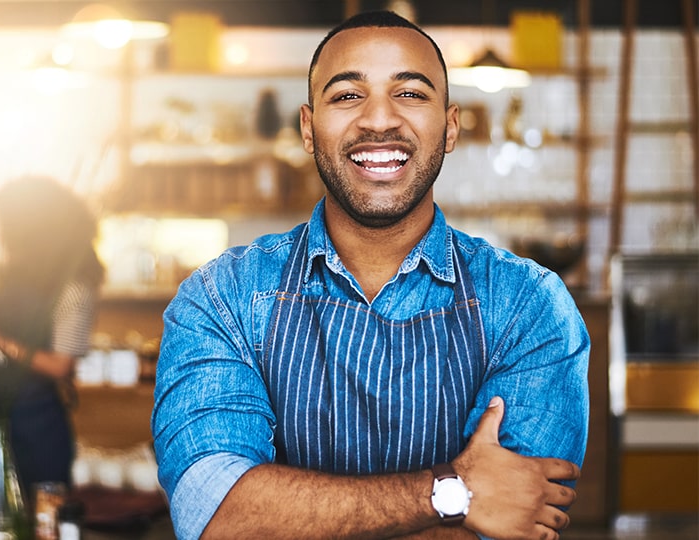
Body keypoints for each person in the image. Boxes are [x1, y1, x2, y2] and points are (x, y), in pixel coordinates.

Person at [151, 10, 589, 540]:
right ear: (309, 129)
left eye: (409, 94)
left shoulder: (530, 305)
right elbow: (218, 515)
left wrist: (286, 514)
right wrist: (451, 492)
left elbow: (510, 519)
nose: (379, 120)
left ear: (449, 127)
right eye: (347, 95)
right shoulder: (221, 298)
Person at [0, 176, 105, 495]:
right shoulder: (12, 275)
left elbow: (62, 365)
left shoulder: (73, 287)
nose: (1, 233)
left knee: (41, 519)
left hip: (37, 429)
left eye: (7, 223)